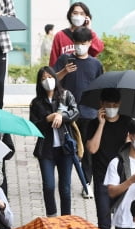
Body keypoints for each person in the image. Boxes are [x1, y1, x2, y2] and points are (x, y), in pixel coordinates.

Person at [55, 26, 104, 196]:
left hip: (90, 114)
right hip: (69, 114)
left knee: (88, 152)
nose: (79, 46)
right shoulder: (64, 60)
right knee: (69, 149)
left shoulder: (95, 64)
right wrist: (64, 71)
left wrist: (101, 110)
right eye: (76, 43)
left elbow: (101, 88)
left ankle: (86, 182)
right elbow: (50, 81)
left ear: (90, 43)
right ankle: (65, 182)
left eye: (83, 43)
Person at [30, 66, 80, 217]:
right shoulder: (36, 102)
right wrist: (48, 118)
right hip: (46, 150)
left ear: (55, 78)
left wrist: (61, 116)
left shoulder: (65, 95)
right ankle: (51, 216)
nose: (47, 81)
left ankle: (66, 218)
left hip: (65, 148)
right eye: (43, 78)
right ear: (39, 82)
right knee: (49, 186)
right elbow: (34, 125)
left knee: (65, 187)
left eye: (50, 77)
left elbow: (75, 112)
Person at [85, 88, 131, 229]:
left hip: (122, 177)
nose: (112, 108)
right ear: (102, 104)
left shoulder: (127, 122)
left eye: (114, 105)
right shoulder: (93, 124)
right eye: (108, 105)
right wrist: (101, 124)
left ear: (119, 104)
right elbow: (92, 149)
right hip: (102, 177)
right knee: (104, 222)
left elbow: (130, 149)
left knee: (124, 221)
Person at [103, 119, 135, 229]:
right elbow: (111, 192)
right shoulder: (117, 163)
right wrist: (130, 181)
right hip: (125, 221)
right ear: (131, 136)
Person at [49, 2, 104, 68]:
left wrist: (89, 30)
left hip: (86, 73)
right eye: (75, 13)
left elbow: (98, 49)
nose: (78, 16)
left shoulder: (88, 34)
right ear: (70, 15)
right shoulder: (60, 36)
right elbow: (53, 61)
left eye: (82, 14)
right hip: (65, 74)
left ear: (86, 17)